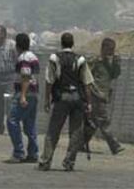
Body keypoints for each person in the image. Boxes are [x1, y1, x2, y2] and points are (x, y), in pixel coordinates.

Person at [62, 38, 124, 169]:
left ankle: (79, 145)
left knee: (93, 125)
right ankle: (115, 145)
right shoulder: (96, 61)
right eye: (109, 49)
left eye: (113, 50)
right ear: (103, 48)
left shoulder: (109, 63)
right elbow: (86, 76)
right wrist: (90, 92)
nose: (111, 52)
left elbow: (114, 75)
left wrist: (116, 64)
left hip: (103, 95)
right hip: (95, 96)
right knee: (104, 121)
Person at [38, 32, 93, 172]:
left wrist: (47, 99)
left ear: (61, 43)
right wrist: (89, 102)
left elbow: (49, 80)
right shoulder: (80, 59)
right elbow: (87, 83)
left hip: (62, 97)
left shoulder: (54, 58)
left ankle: (45, 161)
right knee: (75, 131)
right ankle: (69, 162)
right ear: (72, 44)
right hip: (77, 98)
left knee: (53, 130)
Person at [5, 33, 40, 163]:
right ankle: (33, 153)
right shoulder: (33, 57)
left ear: (17, 45)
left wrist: (23, 96)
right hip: (34, 94)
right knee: (29, 124)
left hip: (25, 93)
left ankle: (19, 152)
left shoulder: (24, 58)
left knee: (12, 120)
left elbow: (25, 77)